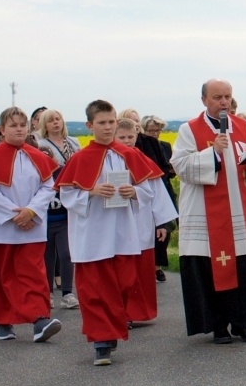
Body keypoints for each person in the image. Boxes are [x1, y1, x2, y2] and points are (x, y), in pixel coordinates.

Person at [57, 100, 162, 366]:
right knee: (93, 289)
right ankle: (101, 341)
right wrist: (90, 192)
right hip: (92, 234)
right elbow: (67, 193)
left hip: (122, 232)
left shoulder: (129, 155)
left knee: (124, 284)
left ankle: (112, 330)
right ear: (90, 125)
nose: (107, 127)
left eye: (111, 122)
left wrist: (134, 192)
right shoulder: (80, 158)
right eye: (101, 123)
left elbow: (149, 191)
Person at [171, 79, 246, 345]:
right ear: (204, 100)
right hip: (208, 216)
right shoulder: (188, 130)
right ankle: (218, 326)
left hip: (242, 212)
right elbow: (180, 166)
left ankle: (244, 323)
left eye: (227, 96)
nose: (224, 102)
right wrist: (212, 154)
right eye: (217, 97)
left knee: (243, 268)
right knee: (210, 269)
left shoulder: (245, 127)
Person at [0, 107, 62, 342]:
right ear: (2, 130)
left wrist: (31, 211)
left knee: (32, 275)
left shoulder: (38, 156)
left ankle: (39, 319)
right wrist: (15, 215)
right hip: (1, 229)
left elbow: (48, 186)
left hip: (32, 228)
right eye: (13, 125)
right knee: (1, 277)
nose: (19, 129)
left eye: (23, 124)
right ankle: (2, 322)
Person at [114, 116, 176, 325]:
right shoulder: (109, 158)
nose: (127, 141)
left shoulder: (142, 158)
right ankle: (122, 312)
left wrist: (163, 223)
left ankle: (138, 311)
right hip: (117, 221)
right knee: (121, 269)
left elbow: (158, 193)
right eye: (121, 137)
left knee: (140, 269)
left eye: (130, 136)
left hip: (142, 220)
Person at [33, 108, 80, 309]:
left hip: (69, 200)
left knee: (67, 252)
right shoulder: (39, 144)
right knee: (47, 255)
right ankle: (48, 293)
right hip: (48, 202)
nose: (55, 123)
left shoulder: (74, 142)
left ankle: (68, 292)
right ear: (44, 124)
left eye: (58, 119)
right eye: (50, 120)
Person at [137, 116, 176, 281]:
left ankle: (158, 264)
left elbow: (168, 166)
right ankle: (152, 265)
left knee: (166, 228)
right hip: (150, 188)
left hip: (165, 187)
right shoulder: (142, 145)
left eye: (157, 130)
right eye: (150, 130)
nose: (154, 134)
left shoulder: (165, 146)